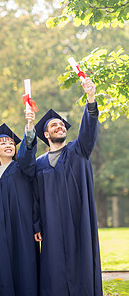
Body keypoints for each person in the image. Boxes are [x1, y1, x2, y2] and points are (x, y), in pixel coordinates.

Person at [34, 78, 102, 296]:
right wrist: (36, 224)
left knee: (82, 262)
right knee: (54, 268)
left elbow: (88, 129)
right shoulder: (39, 164)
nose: (60, 126)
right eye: (54, 125)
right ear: (46, 134)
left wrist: (90, 98)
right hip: (51, 224)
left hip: (78, 219)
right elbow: (34, 197)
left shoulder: (78, 150)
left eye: (62, 124)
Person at [0, 112, 39, 296]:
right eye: (2, 143)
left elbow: (28, 153)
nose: (8, 145)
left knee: (24, 269)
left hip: (21, 229)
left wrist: (29, 126)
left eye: (11, 142)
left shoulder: (22, 168)